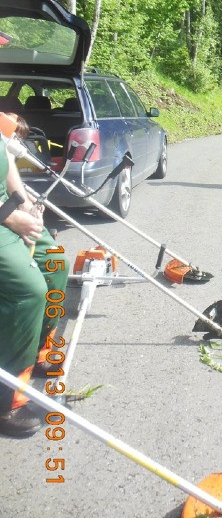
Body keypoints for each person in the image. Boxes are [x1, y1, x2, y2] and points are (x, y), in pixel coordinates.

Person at [0, 115, 69, 438]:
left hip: (9, 212)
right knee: (28, 291)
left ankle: (40, 350)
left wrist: (26, 204)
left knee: (56, 264)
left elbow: (7, 165)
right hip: (2, 220)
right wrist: (12, 218)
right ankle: (6, 399)